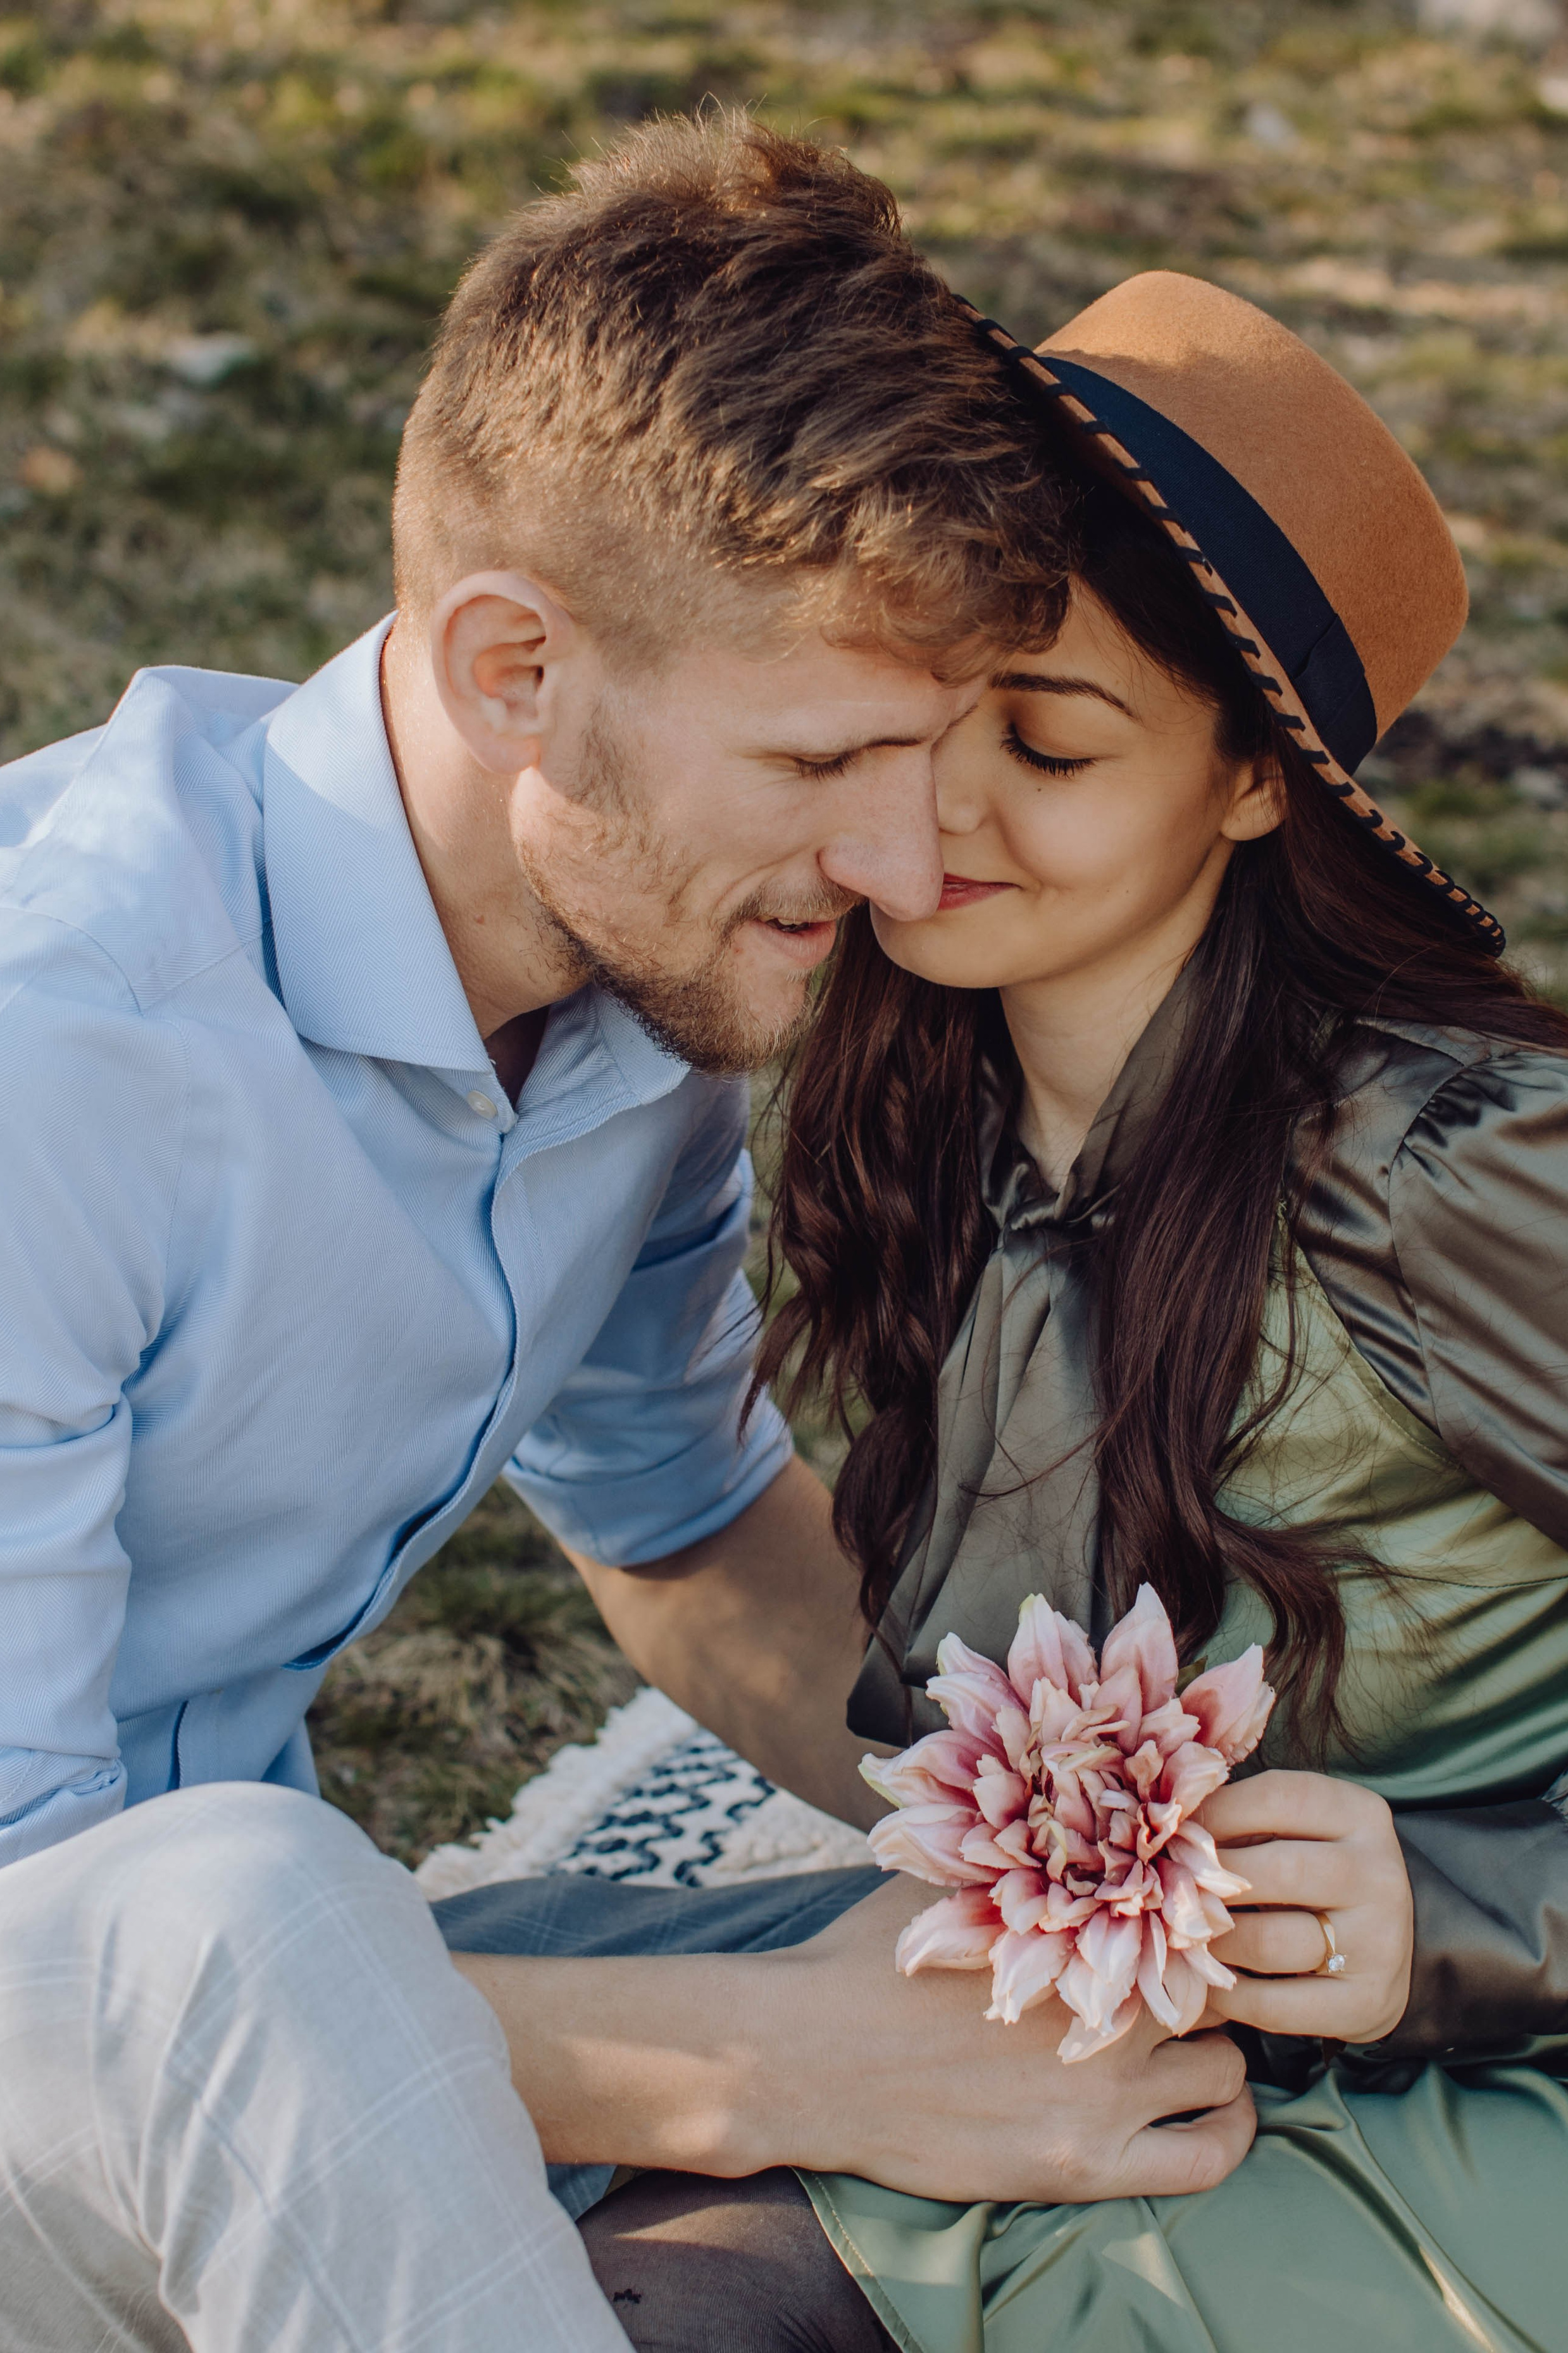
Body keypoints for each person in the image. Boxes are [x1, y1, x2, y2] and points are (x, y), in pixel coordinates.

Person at [0, 122, 1259, 2352]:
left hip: (276, 2007)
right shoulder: (60, 1061)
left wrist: (1062, 1863)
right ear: (512, 673)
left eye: (933, 751)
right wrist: (779, 2062)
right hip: (107, 2017)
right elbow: (69, 1969)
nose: (899, 859)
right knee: (255, 1912)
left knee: (1098, 2035)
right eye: (818, 763)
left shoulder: (641, 999)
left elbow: (684, 1532)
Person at [549, 278, 1568, 2346]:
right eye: (923, 715)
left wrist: (1458, 1915)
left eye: (1053, 740)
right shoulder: (925, 1116)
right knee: (384, 2141)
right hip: (1092, 2032)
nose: (938, 812)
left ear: (1257, 783)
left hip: (1483, 2080)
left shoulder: (1467, 1166)